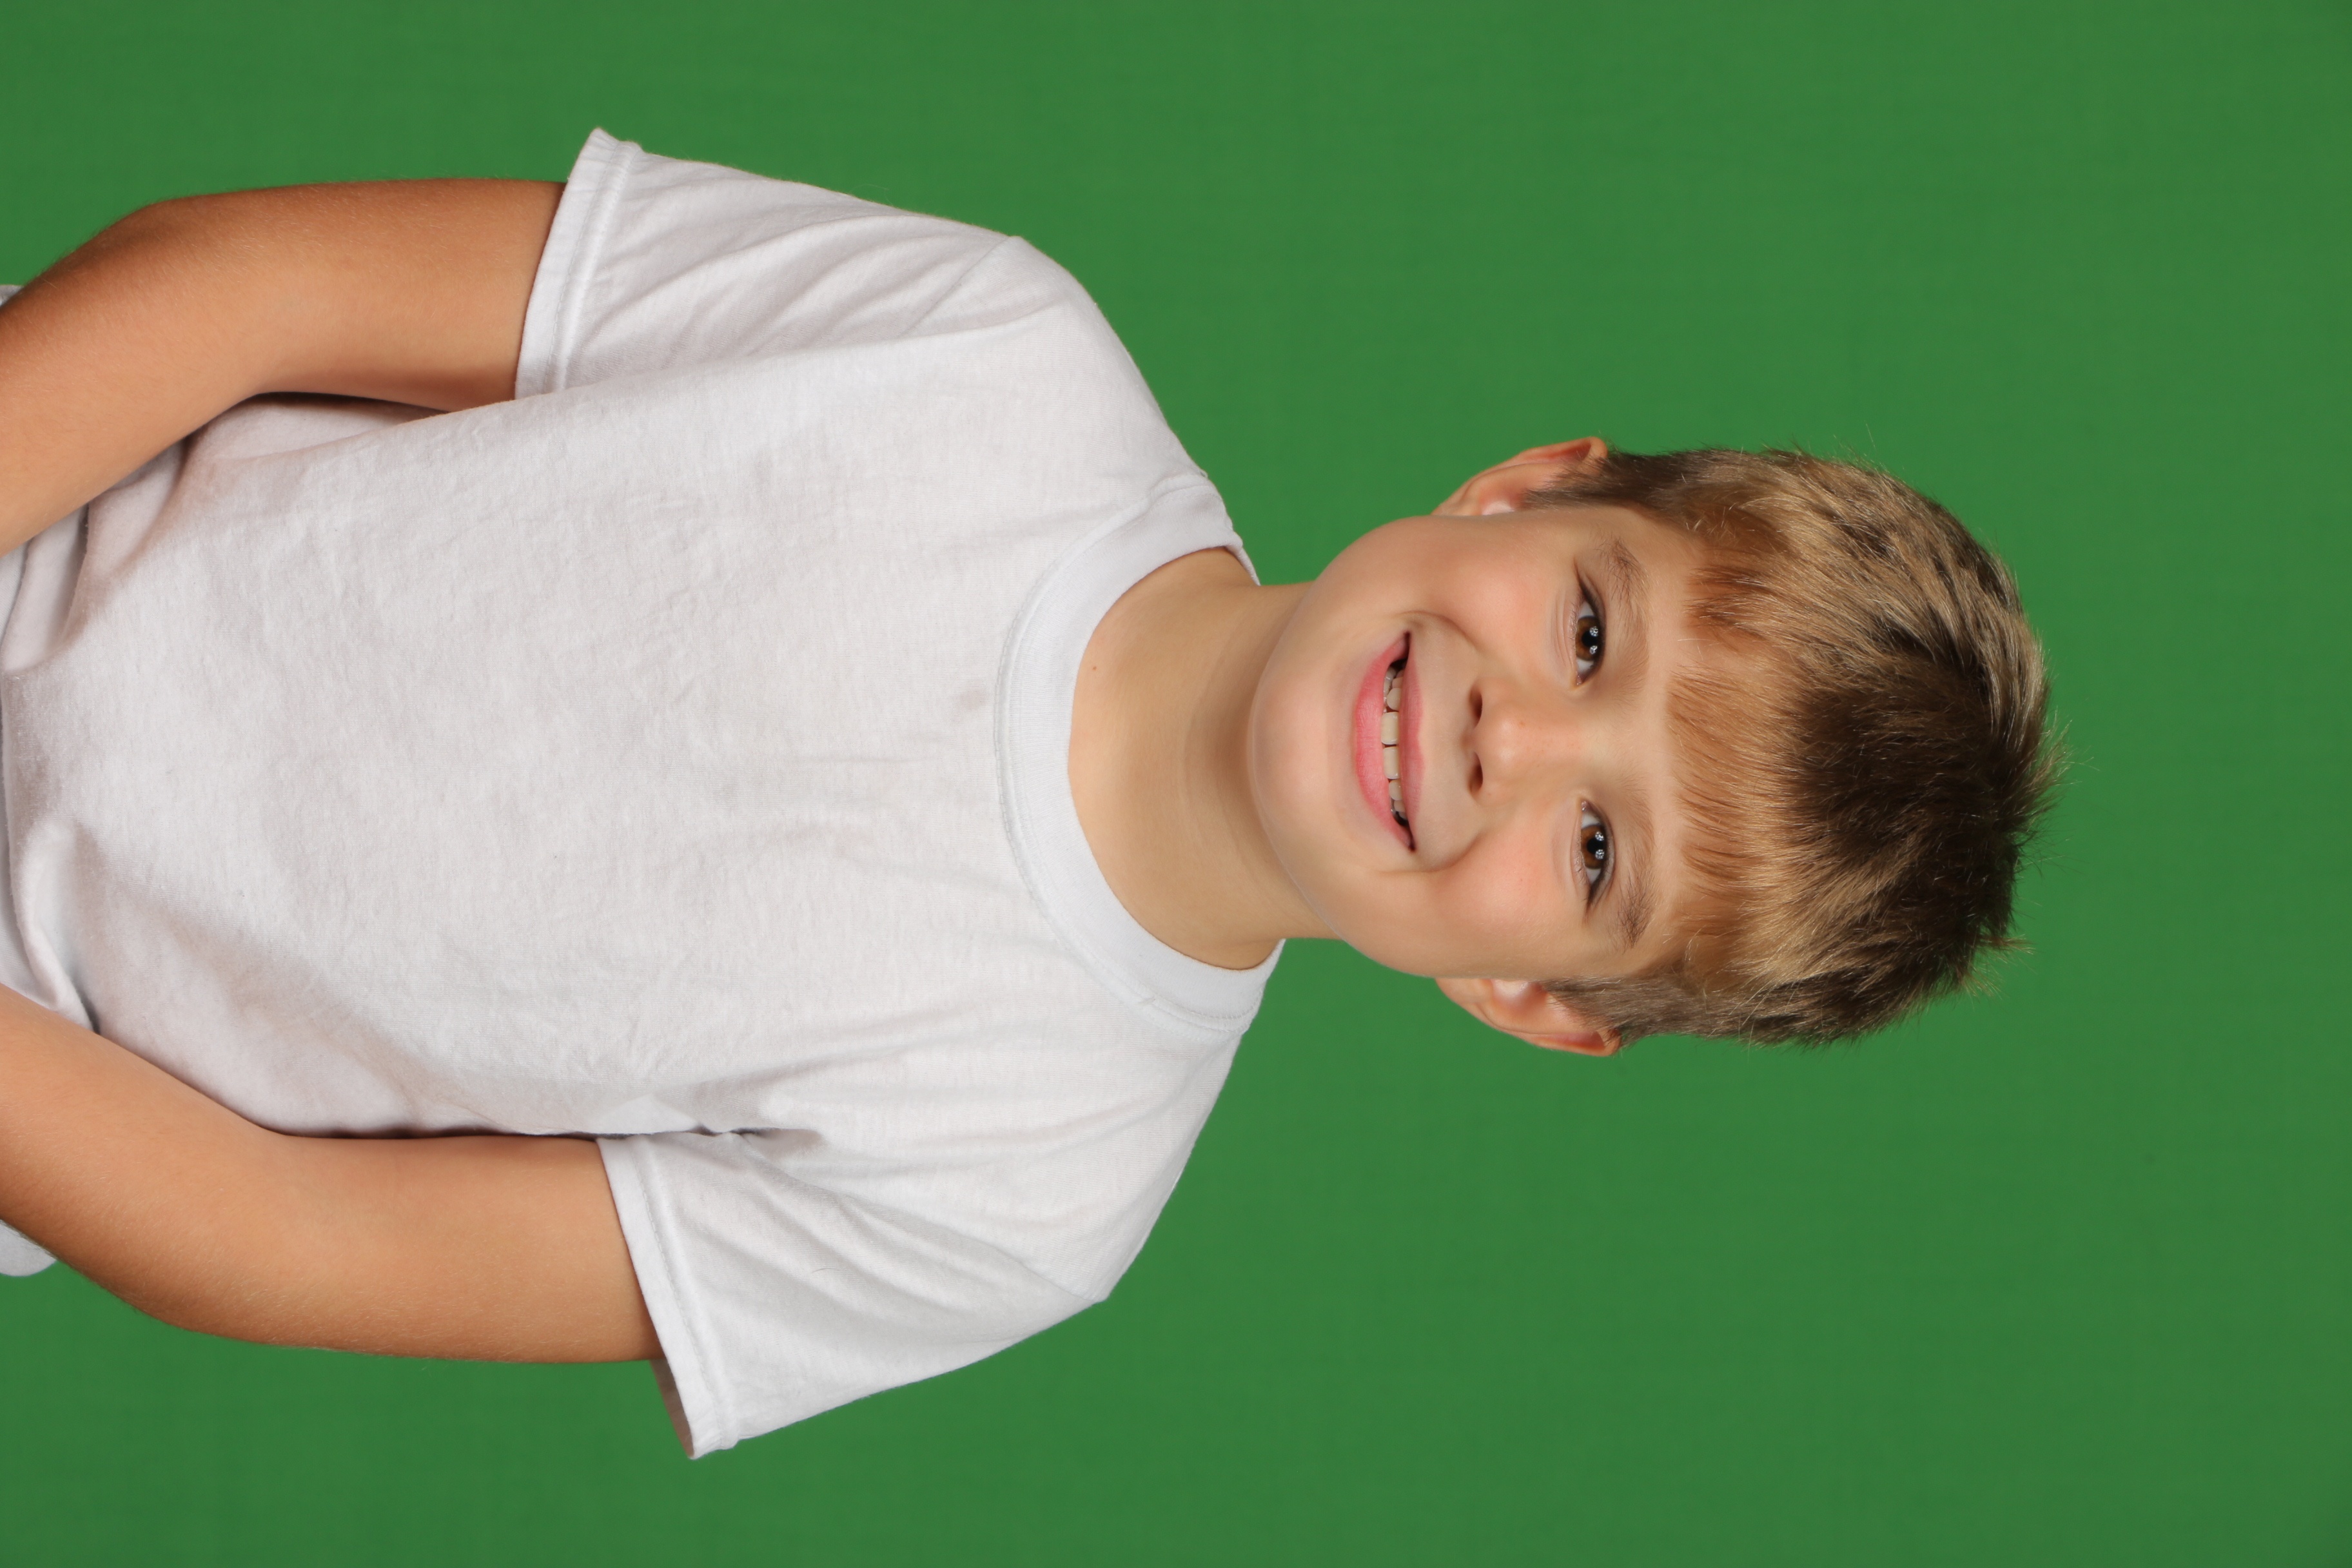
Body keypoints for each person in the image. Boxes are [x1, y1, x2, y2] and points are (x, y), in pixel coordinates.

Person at [0, 132, 2054, 1455]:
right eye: (1593, 632)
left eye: (1599, 851)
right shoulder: (992, 352)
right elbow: (262, 285)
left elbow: (289, 1241)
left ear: (1533, 1000)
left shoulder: (1033, 1195)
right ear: (1528, 491)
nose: (1513, 737)